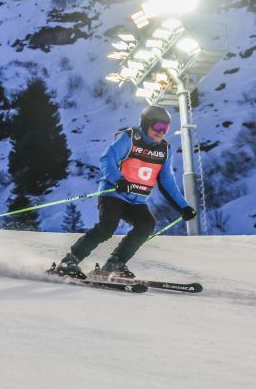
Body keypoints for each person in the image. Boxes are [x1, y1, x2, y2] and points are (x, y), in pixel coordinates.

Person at [56, 105, 196, 279]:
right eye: (158, 127)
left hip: (137, 202)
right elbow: (107, 158)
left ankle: (115, 264)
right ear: (146, 124)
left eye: (165, 128)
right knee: (107, 227)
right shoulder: (130, 138)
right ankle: (70, 261)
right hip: (114, 195)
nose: (161, 132)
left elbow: (167, 181)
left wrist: (183, 207)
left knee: (146, 224)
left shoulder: (165, 150)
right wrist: (118, 179)